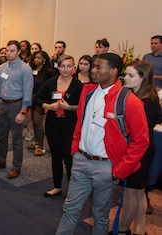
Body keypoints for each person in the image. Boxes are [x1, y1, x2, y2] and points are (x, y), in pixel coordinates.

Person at [55, 53, 150, 235]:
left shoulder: (130, 101)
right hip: (81, 160)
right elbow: (80, 123)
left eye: (99, 67)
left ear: (114, 71)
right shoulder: (87, 91)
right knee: (70, 209)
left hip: (107, 166)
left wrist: (119, 171)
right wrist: (75, 151)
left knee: (100, 215)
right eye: (94, 66)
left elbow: (141, 142)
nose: (93, 70)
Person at [118, 60, 161, 235]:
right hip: (145, 150)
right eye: (125, 74)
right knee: (139, 192)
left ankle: (122, 230)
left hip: (138, 152)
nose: (126, 78)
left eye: (131, 75)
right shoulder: (149, 97)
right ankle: (140, 230)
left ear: (143, 78)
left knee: (130, 193)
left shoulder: (143, 102)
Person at [33, 55, 83, 197]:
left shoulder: (78, 85)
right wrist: (47, 105)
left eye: (69, 66)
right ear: (58, 67)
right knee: (56, 157)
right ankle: (57, 186)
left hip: (70, 126)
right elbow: (36, 98)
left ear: (73, 68)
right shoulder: (51, 82)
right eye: (63, 66)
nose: (66, 69)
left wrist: (69, 107)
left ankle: (73, 191)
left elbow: (84, 107)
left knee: (69, 159)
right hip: (52, 125)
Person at [0, 40, 33, 179]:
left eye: (12, 51)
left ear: (19, 52)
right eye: (7, 50)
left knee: (17, 138)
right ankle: (1, 161)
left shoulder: (25, 69)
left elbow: (27, 92)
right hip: (2, 105)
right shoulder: (2, 68)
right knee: (1, 136)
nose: (8, 53)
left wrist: (23, 112)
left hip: (17, 105)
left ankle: (16, 167)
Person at [26, 51, 57, 156]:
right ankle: (36, 143)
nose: (36, 60)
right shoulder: (31, 70)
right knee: (34, 122)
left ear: (44, 59)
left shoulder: (49, 72)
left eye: (39, 58)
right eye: (35, 58)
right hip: (31, 97)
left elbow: (51, 89)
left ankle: (41, 146)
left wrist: (47, 103)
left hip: (42, 99)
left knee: (38, 122)